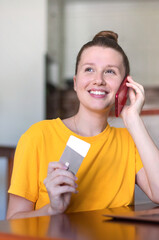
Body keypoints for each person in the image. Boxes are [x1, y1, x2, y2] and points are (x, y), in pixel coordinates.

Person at [7, 30, 159, 219]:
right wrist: (52, 209)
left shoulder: (129, 141)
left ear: (124, 85)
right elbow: (13, 220)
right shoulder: (37, 136)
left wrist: (134, 120)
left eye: (110, 71)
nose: (98, 80)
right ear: (76, 82)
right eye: (89, 69)